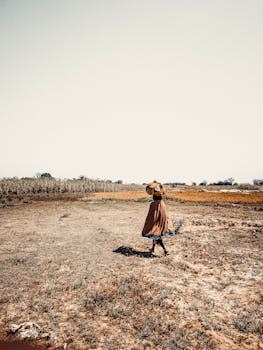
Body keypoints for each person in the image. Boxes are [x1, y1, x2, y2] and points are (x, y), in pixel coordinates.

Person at [141, 180, 179, 255]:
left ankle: (165, 250)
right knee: (155, 230)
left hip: (157, 207)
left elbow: (153, 190)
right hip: (160, 206)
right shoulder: (160, 190)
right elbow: (160, 191)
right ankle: (153, 249)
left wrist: (157, 185)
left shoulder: (157, 190)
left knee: (155, 230)